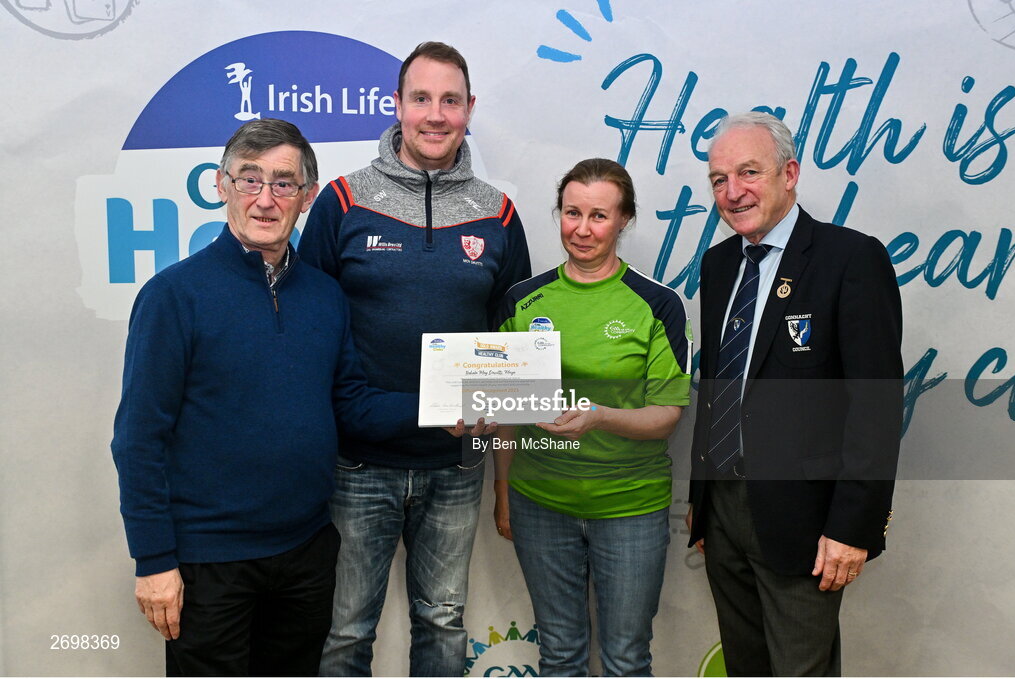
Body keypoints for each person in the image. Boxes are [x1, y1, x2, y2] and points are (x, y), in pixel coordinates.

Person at [111, 118, 421, 677]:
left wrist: (442, 407)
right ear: (222, 186)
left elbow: (351, 403)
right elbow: (138, 439)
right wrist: (154, 560)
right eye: (249, 180)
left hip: (306, 552)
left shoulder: (326, 296)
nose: (264, 199)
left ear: (306, 198)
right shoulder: (173, 296)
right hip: (208, 561)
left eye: (283, 183)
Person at [298, 41, 531, 676]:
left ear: (469, 109)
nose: (436, 114)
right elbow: (307, 330)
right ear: (396, 106)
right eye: (421, 99)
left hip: (454, 466)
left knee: (442, 622)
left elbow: (512, 340)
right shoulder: (343, 202)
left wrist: (498, 410)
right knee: (345, 631)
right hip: (356, 464)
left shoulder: (498, 212)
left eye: (450, 100)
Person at [686, 112, 903, 676]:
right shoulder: (717, 265)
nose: (732, 192)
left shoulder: (851, 260)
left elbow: (875, 408)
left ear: (790, 174)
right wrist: (704, 502)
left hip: (805, 521)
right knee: (745, 666)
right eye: (718, 179)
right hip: (725, 510)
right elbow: (720, 388)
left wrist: (853, 527)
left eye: (749, 172)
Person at [492, 158, 692, 676]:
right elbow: (508, 412)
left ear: (624, 220)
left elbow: (668, 416)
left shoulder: (658, 305)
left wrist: (600, 416)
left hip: (630, 506)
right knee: (559, 655)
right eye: (571, 212)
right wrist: (503, 495)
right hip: (540, 504)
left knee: (626, 658)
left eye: (599, 216)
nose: (582, 229)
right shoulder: (522, 300)